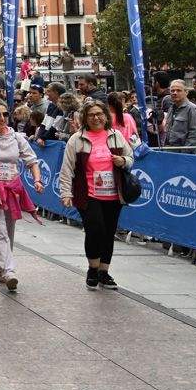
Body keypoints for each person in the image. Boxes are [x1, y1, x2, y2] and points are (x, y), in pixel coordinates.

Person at [58, 101, 135, 290]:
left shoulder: (116, 136)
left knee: (109, 232)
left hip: (113, 194)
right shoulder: (77, 139)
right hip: (88, 194)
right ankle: (92, 268)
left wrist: (123, 160)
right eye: (91, 114)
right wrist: (66, 192)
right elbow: (67, 168)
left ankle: (104, 272)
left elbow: (131, 159)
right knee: (95, 229)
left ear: (106, 116)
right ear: (85, 118)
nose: (96, 118)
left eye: (99, 114)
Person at [0, 99, 43, 291]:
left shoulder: (16, 137)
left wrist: (37, 180)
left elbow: (31, 160)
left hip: (13, 189)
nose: (2, 118)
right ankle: (9, 270)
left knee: (9, 231)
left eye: (5, 114)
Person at [161, 80, 196, 152]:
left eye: (178, 90)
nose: (175, 93)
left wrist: (184, 153)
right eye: (172, 91)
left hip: (186, 156)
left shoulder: (192, 109)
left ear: (186, 92)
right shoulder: (171, 109)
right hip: (170, 153)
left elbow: (195, 135)